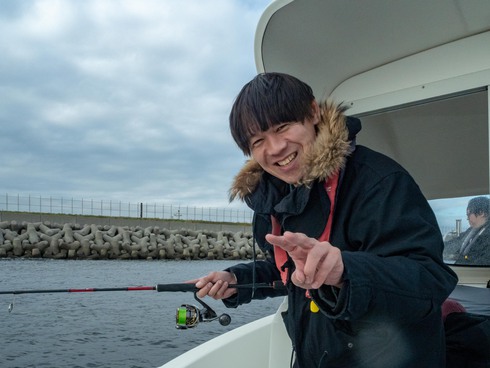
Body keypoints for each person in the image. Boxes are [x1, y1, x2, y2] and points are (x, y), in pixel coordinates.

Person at [192, 73, 458, 367]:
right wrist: (236, 280)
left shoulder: (379, 181)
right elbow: (288, 271)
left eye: (283, 127)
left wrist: (344, 272)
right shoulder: (273, 201)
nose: (275, 148)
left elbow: (431, 279)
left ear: (313, 112)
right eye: (258, 141)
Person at [444, 196, 490, 265]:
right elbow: (457, 241)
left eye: (468, 214)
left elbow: (480, 263)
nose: (467, 218)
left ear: (481, 213)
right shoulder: (471, 230)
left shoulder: (487, 236)